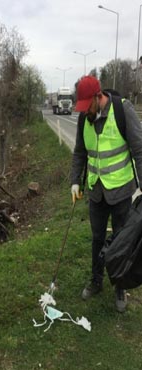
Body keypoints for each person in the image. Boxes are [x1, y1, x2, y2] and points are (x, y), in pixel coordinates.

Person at [70, 75, 142, 313]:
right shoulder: (84, 119)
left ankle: (119, 287)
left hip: (121, 191)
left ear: (97, 96)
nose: (83, 112)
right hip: (96, 192)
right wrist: (74, 182)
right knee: (97, 239)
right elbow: (80, 152)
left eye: (86, 106)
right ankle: (96, 280)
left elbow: (139, 150)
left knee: (121, 242)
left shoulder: (122, 111)